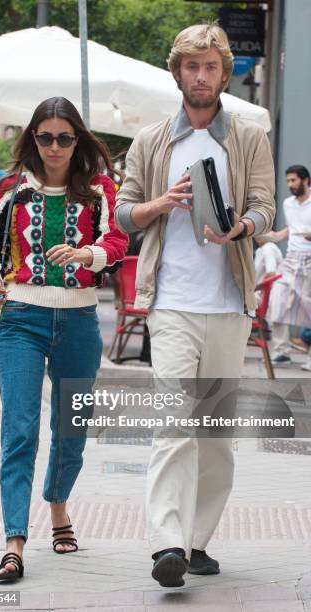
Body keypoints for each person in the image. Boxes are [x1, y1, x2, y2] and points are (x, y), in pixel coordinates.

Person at [115, 24, 275, 588]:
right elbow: (122, 213)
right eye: (191, 67)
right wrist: (161, 203)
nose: (200, 76)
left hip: (230, 301)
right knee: (173, 423)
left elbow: (263, 205)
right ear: (177, 72)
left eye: (210, 67)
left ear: (223, 73)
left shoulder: (251, 137)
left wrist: (241, 227)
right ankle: (168, 542)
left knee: (215, 433)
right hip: (173, 301)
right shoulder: (152, 140)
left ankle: (199, 540)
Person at [0, 97, 128, 581]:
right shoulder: (11, 190)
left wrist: (86, 255)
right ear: (33, 139)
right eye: (46, 137)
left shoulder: (101, 190)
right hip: (21, 319)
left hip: (80, 322)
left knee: (73, 429)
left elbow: (117, 243)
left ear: (78, 140)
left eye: (65, 137)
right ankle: (14, 542)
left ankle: (58, 505)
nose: (55, 146)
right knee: (19, 430)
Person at [268, 165, 311, 370]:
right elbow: (290, 229)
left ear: (305, 180)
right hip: (291, 259)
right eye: (288, 181)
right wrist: (275, 236)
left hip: (310, 259)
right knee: (277, 299)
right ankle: (281, 352)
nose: (290, 185)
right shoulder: (287, 204)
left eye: (293, 181)